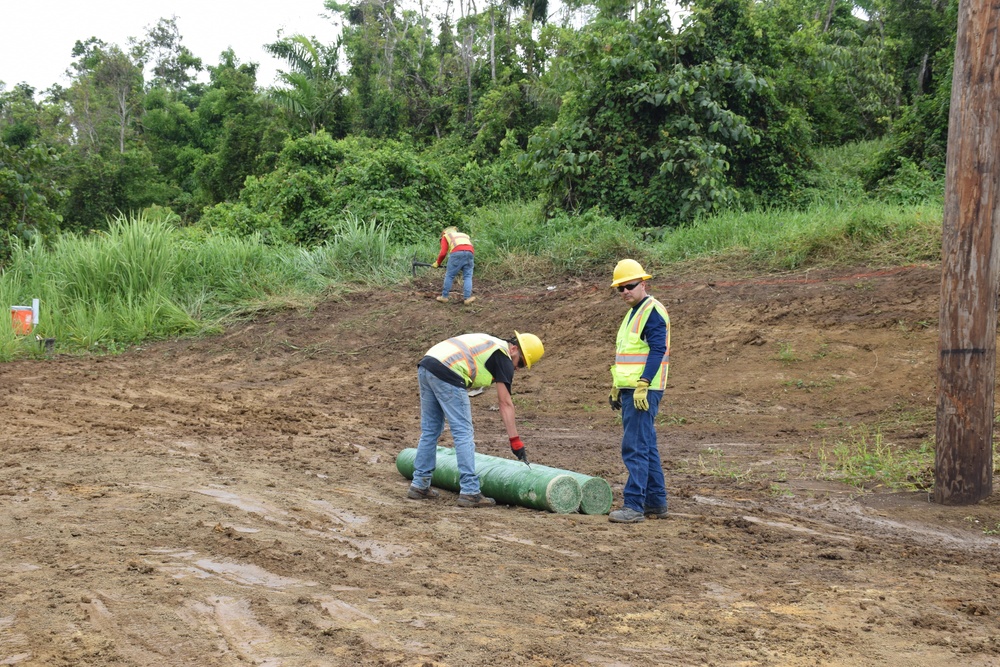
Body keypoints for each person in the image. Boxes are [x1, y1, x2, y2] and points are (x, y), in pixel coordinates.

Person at [407, 331, 545, 507]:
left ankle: (420, 484)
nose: (518, 368)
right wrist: (515, 440)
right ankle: (470, 491)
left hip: (427, 365)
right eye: (522, 362)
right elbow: (505, 403)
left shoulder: (491, 345)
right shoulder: (503, 357)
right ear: (514, 348)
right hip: (448, 370)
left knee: (430, 429)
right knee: (463, 432)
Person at [607, 259, 670, 523]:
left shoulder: (651, 311)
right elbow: (628, 354)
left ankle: (633, 505)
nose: (625, 292)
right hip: (631, 389)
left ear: (644, 284)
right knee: (646, 445)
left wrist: (643, 383)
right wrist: (617, 385)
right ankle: (655, 502)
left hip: (642, 391)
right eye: (620, 288)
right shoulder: (634, 312)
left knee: (634, 446)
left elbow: (658, 350)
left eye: (629, 286)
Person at [433, 226, 476, 305]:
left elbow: (443, 253)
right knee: (467, 277)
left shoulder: (446, 236)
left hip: (456, 253)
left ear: (444, 232)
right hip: (470, 253)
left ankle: (444, 297)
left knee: (449, 275)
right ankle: (467, 298)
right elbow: (468, 247)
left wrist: (437, 263)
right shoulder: (464, 235)